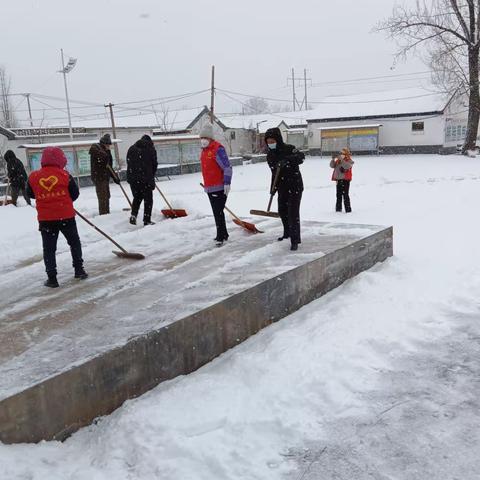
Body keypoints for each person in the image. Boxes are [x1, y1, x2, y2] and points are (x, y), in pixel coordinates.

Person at [26, 147, 87, 288]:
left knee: (49, 249)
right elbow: (75, 194)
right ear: (59, 159)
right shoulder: (65, 175)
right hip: (66, 216)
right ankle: (79, 270)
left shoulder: (33, 177)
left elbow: (30, 193)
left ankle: (52, 278)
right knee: (74, 243)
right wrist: (63, 200)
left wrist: (46, 198)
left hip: (46, 219)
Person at [264, 127, 305, 251]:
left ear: (278, 139)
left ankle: (295, 239)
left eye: (272, 141)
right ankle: (287, 233)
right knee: (282, 210)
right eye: (268, 142)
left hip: (294, 185)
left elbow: (301, 157)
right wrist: (273, 189)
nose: (270, 144)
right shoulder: (270, 155)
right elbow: (273, 174)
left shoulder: (289, 148)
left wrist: (287, 160)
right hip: (282, 186)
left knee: (293, 213)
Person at [199, 123, 232, 246]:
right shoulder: (204, 151)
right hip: (209, 187)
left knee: (218, 212)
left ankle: (220, 236)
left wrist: (227, 183)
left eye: (205, 138)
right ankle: (223, 234)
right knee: (217, 211)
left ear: (210, 138)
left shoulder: (218, 149)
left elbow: (227, 167)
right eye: (201, 138)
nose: (203, 140)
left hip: (220, 187)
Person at [126, 135, 158, 226]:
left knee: (137, 197)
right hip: (146, 179)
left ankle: (133, 215)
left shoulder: (131, 148)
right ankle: (146, 220)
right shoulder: (150, 149)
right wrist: (151, 174)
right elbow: (154, 164)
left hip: (133, 179)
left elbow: (128, 162)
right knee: (148, 200)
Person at [89, 133, 119, 215]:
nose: (109, 147)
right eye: (108, 145)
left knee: (107, 196)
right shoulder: (96, 148)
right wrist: (105, 156)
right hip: (99, 177)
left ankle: (107, 213)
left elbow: (109, 166)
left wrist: (115, 177)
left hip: (105, 177)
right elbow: (99, 156)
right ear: (103, 143)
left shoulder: (106, 151)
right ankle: (103, 215)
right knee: (103, 197)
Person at [330, 148, 354, 213]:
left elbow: (347, 166)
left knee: (345, 195)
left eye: (342, 153)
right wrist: (333, 159)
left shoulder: (349, 160)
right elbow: (332, 166)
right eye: (340, 153)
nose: (341, 155)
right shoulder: (338, 160)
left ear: (346, 154)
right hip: (338, 180)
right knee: (338, 195)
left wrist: (341, 159)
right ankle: (338, 209)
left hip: (345, 180)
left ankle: (348, 210)